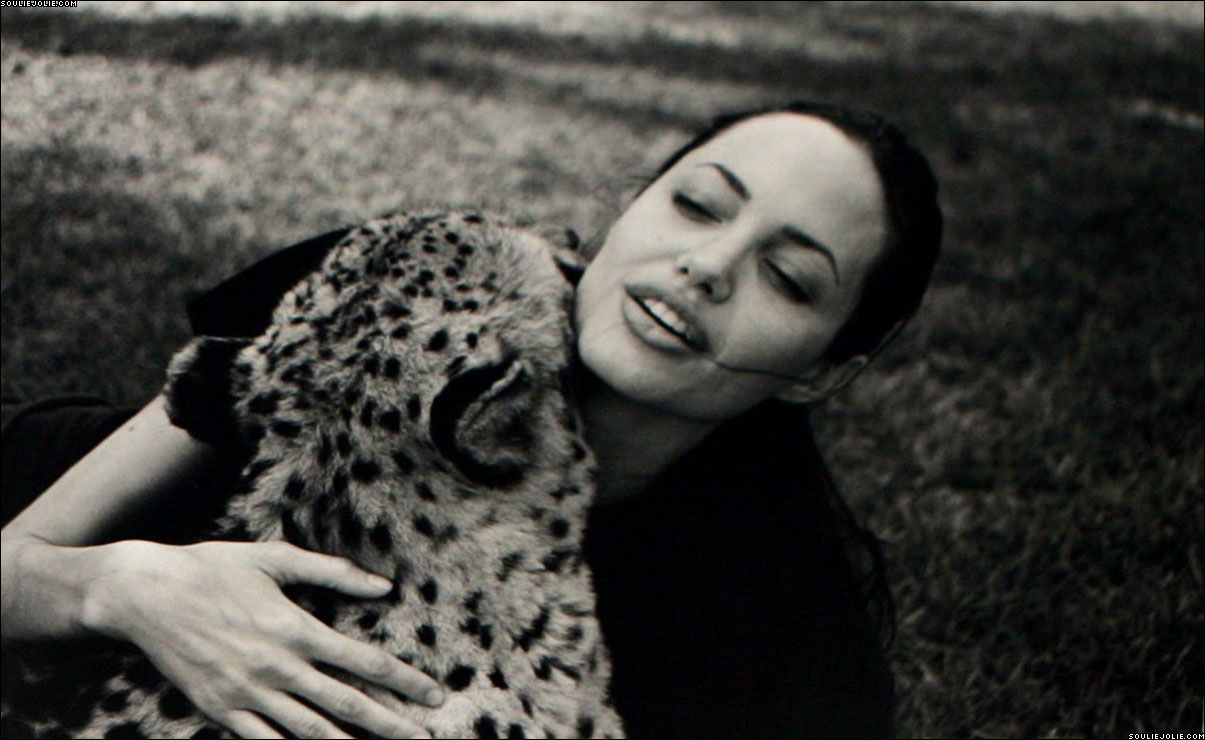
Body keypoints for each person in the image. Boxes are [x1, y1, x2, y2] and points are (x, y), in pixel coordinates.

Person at [1, 100, 941, 738]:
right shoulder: (407, 281)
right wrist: (122, 589)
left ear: (820, 372)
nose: (707, 267)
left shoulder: (777, 644)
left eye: (787, 277)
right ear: (628, 209)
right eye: (696, 206)